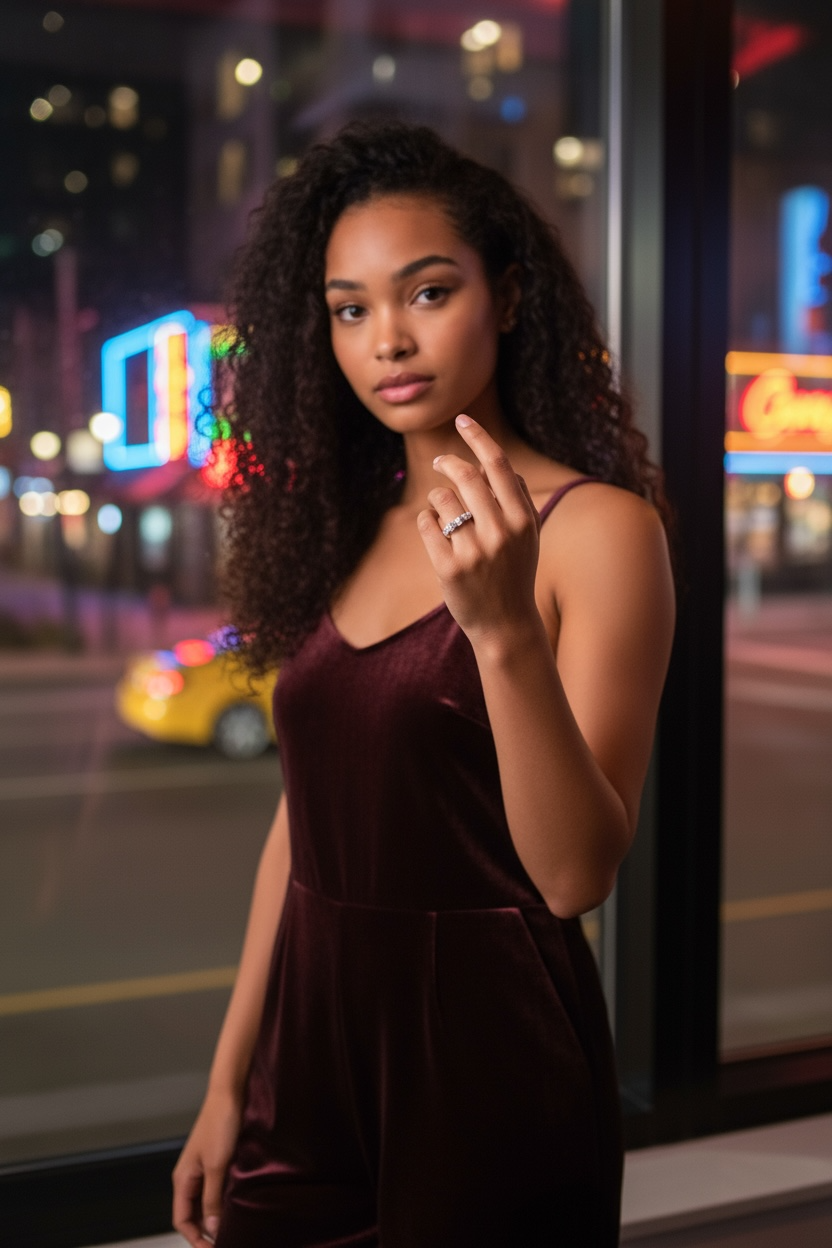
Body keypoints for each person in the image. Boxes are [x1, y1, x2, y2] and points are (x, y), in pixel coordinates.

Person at [172, 119, 675, 1248]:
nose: (387, 340)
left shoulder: (598, 531)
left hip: (488, 1053)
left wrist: (499, 629)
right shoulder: (341, 530)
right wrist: (225, 1084)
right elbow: (305, 822)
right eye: (349, 309)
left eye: (427, 292)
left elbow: (573, 874)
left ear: (505, 295)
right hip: (307, 1048)